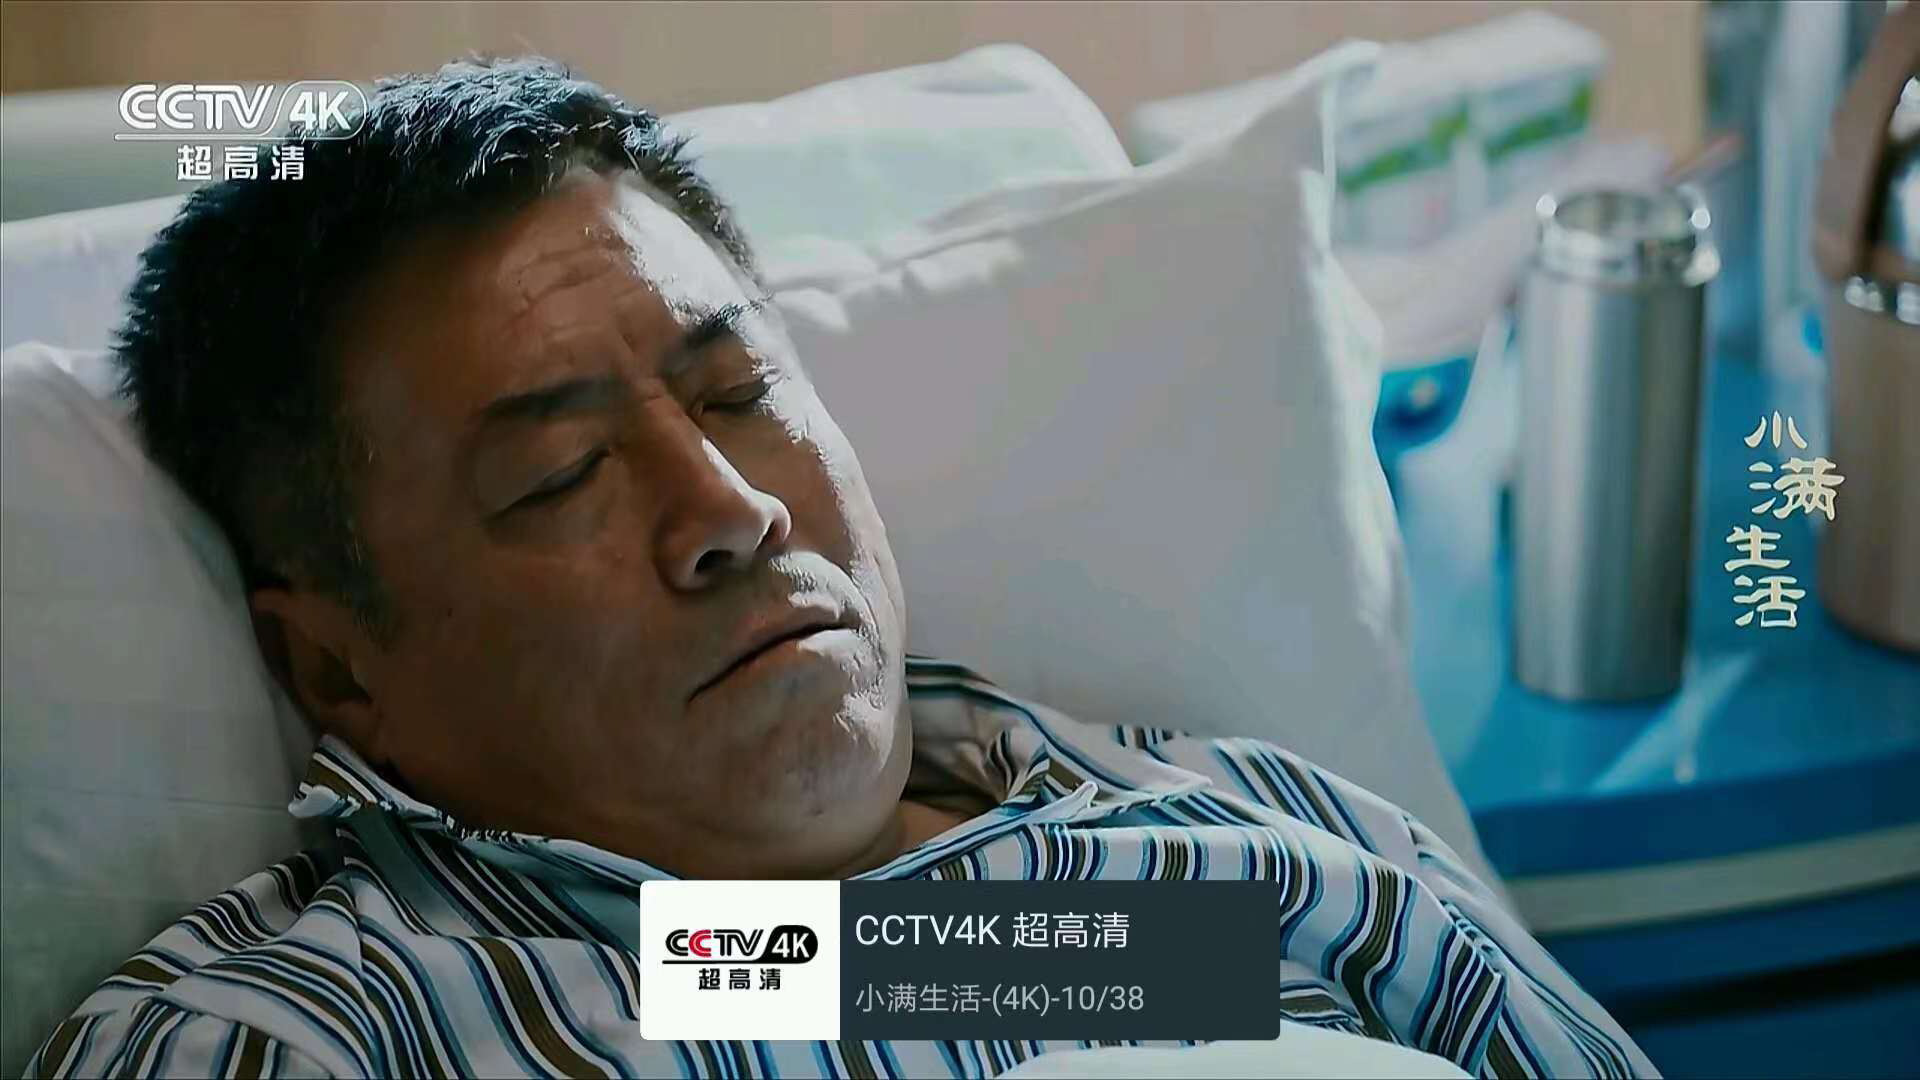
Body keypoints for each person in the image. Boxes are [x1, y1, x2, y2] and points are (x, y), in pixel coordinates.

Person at [28, 58, 1653, 1079]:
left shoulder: (1261, 850)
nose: (728, 508)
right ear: (337, 668)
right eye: (558, 476)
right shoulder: (298, 1043)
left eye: (739, 391)